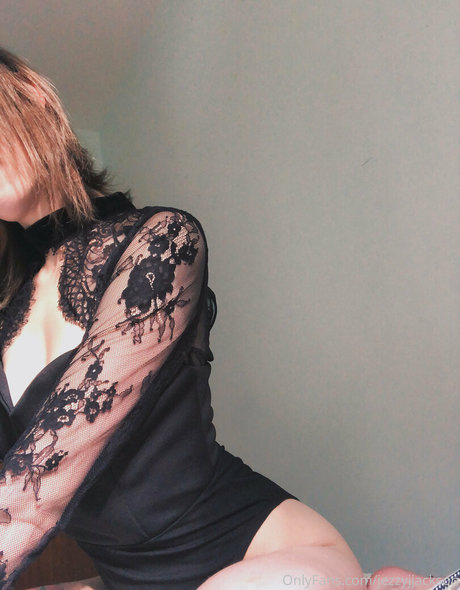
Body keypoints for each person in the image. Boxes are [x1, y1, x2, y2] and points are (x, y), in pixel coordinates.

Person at [0, 47, 454, 590]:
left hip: (255, 551)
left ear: (30, 97)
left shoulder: (162, 240)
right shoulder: (7, 316)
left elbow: (40, 480)